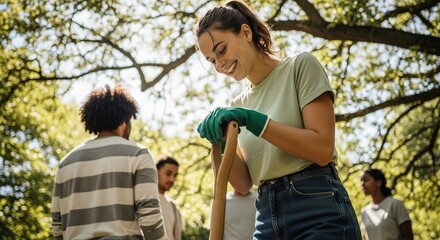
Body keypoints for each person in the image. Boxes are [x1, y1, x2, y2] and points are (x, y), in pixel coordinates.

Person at [194, 1, 362, 239]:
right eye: (211, 60)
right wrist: (220, 144)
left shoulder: (300, 67)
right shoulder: (238, 105)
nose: (219, 64)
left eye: (221, 50)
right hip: (266, 216)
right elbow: (242, 183)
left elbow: (322, 148)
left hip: (318, 208)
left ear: (245, 32)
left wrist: (255, 122)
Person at [51, 85, 165, 239]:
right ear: (124, 120)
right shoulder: (138, 154)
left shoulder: (66, 163)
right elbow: (150, 217)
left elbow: (57, 227)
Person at [360, 168, 414, 240]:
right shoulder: (364, 212)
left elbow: (408, 236)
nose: (362, 184)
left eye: (366, 180)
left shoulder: (395, 204)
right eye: (361, 181)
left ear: (378, 183)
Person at [156, 156, 183, 240]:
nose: (172, 179)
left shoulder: (174, 207)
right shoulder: (144, 200)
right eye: (168, 173)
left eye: (175, 175)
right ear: (156, 172)